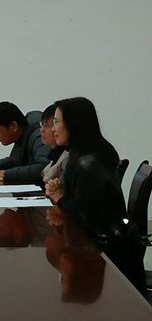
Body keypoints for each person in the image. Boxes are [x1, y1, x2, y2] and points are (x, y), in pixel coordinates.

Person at [45, 97, 145, 293]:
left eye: (56, 122)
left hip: (107, 255)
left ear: (73, 124)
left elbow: (85, 216)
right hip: (109, 245)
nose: (53, 128)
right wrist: (61, 191)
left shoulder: (88, 160)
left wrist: (59, 197)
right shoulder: (87, 151)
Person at [0, 101, 51, 184]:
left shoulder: (39, 135)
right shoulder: (23, 132)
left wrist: (6, 174)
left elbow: (44, 167)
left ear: (13, 126)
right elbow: (14, 161)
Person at [40, 104, 69, 183]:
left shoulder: (67, 159)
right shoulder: (54, 155)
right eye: (42, 125)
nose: (42, 130)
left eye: (46, 126)